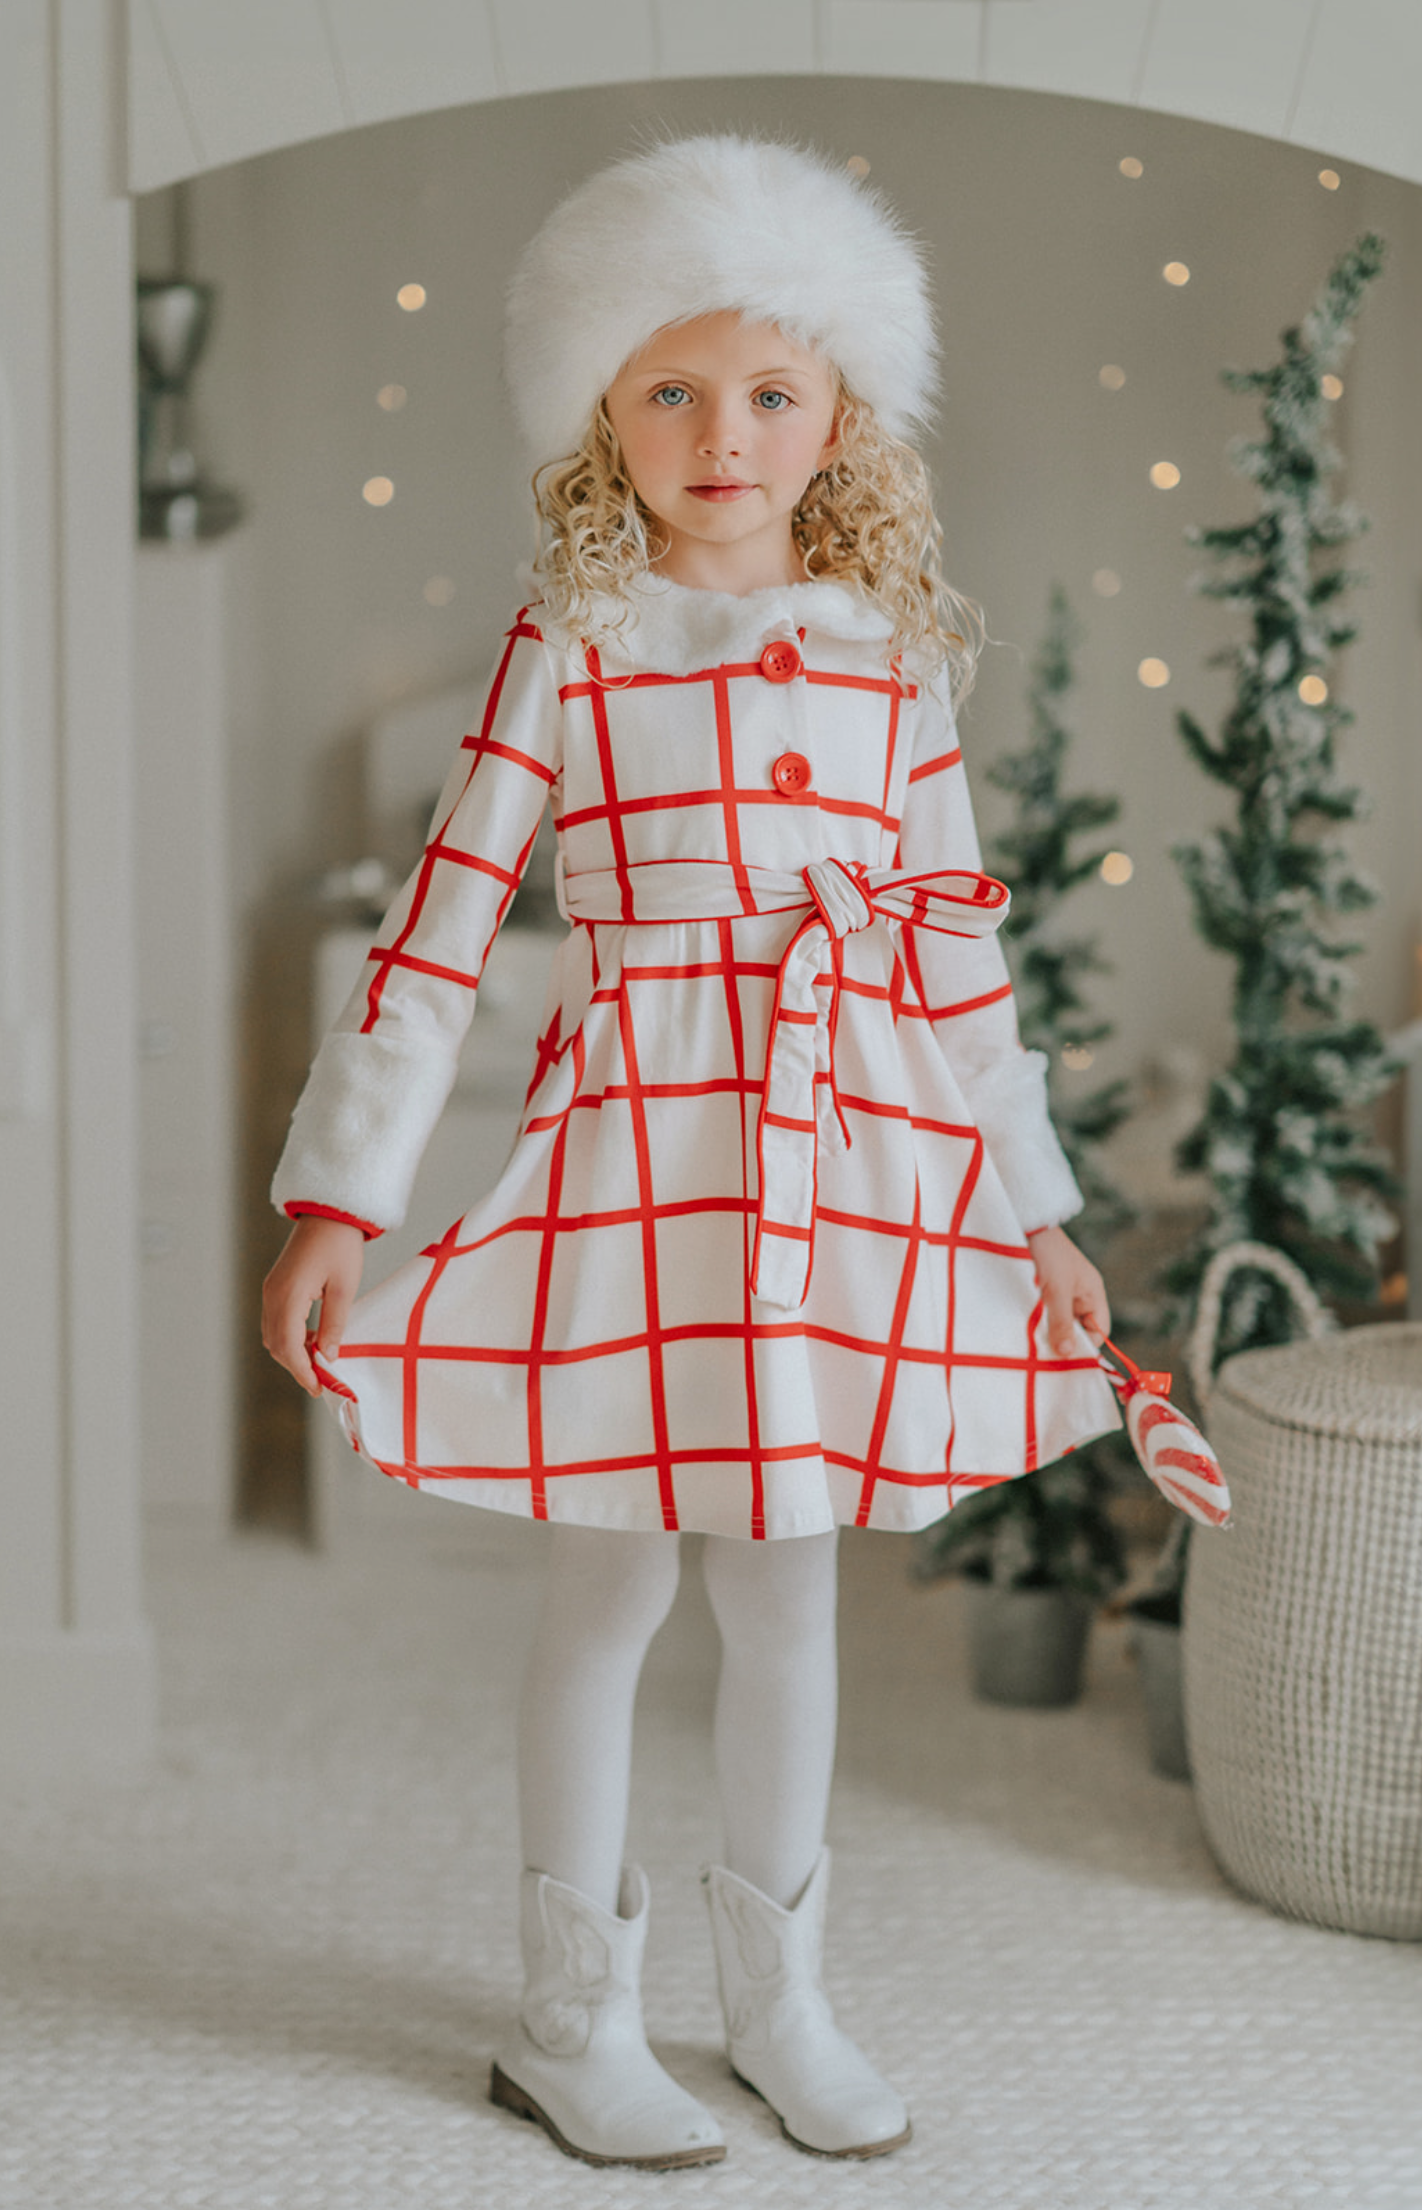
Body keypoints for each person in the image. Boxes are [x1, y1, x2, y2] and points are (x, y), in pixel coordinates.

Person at [262, 135, 1120, 2172]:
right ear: (598, 415)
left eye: (767, 391)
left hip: (837, 1149)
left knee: (789, 1589)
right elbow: (443, 929)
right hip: (640, 1151)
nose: (721, 435)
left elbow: (961, 954)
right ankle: (576, 2018)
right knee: (612, 1582)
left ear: (837, 412)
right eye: (669, 389)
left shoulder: (893, 662)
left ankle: (782, 1998)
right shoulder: (573, 643)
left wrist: (1041, 1210)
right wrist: (339, 1198)